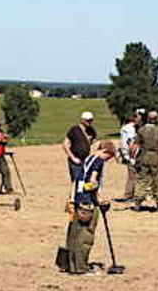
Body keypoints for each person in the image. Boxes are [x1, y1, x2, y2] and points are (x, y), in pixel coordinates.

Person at [60, 141, 116, 275]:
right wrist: (98, 198)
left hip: (77, 201)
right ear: (106, 152)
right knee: (85, 236)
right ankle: (81, 268)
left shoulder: (87, 159)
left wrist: (72, 199)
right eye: (109, 157)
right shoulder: (98, 162)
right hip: (87, 204)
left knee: (73, 234)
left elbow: (76, 180)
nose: (108, 160)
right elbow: (92, 182)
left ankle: (69, 265)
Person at [130, 111, 158, 211]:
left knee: (142, 180)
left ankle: (137, 203)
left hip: (143, 158)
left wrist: (132, 158)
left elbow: (134, 147)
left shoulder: (141, 130)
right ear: (156, 119)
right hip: (156, 158)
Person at [62, 111, 98, 182]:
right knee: (76, 182)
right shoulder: (74, 130)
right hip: (76, 162)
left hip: (88, 161)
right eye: (87, 120)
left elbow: (94, 144)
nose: (89, 122)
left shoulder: (92, 130)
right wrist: (73, 158)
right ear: (82, 120)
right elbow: (65, 144)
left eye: (91, 120)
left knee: (86, 182)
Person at [117, 113, 141, 201]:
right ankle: (129, 195)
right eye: (139, 118)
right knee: (133, 176)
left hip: (125, 154)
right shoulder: (130, 129)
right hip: (131, 155)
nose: (140, 120)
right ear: (134, 119)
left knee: (132, 175)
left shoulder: (125, 128)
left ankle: (130, 194)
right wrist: (133, 156)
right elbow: (131, 143)